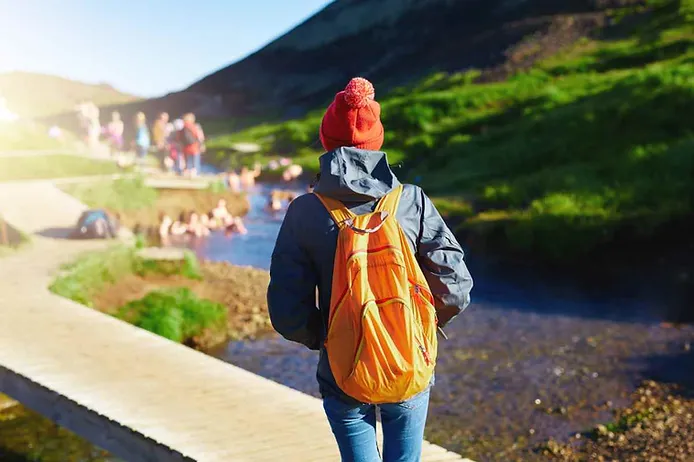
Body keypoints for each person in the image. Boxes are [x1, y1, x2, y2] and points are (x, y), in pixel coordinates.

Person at [266, 77, 473, 462]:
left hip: (342, 369)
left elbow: (286, 311)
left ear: (326, 141)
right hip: (409, 357)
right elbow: (455, 286)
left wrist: (328, 337)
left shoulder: (305, 212)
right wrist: (419, 325)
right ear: (376, 141)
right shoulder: (412, 201)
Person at [178, 113, 202, 177]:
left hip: (186, 148)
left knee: (188, 163)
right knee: (195, 163)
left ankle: (188, 173)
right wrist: (200, 144)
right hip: (194, 147)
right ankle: (196, 174)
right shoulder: (194, 127)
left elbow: (179, 138)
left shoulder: (183, 128)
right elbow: (199, 137)